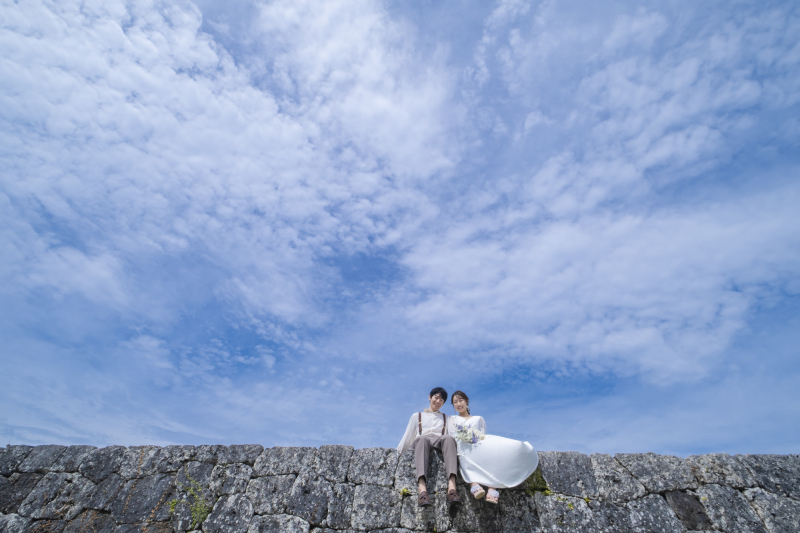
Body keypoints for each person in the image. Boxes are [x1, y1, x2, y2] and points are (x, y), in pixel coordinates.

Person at [448, 390, 539, 504]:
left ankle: (492, 488)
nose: (458, 404)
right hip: (463, 445)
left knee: (494, 451)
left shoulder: (479, 418)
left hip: (478, 444)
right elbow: (452, 435)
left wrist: (474, 438)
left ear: (466, 401)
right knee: (463, 450)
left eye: (461, 400)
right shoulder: (452, 419)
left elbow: (483, 435)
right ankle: (474, 484)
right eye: (455, 402)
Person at [397, 387, 461, 508]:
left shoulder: (447, 418)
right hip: (423, 440)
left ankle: (452, 488)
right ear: (430, 397)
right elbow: (408, 436)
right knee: (421, 438)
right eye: (436, 398)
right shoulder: (417, 416)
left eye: (441, 400)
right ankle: (422, 489)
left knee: (448, 438)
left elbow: (453, 436)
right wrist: (398, 453)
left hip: (439, 441)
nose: (438, 401)